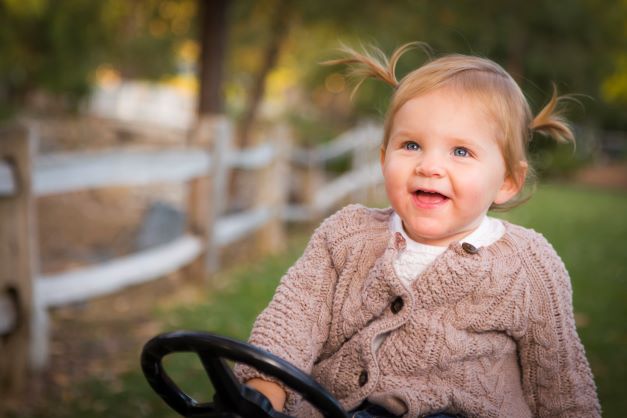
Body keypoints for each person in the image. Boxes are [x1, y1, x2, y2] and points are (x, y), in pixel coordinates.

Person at [234, 42, 601, 418]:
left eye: (460, 152)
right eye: (411, 145)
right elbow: (290, 323)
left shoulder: (530, 266)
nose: (429, 166)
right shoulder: (344, 236)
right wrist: (263, 396)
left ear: (508, 180)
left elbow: (562, 389)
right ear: (384, 158)